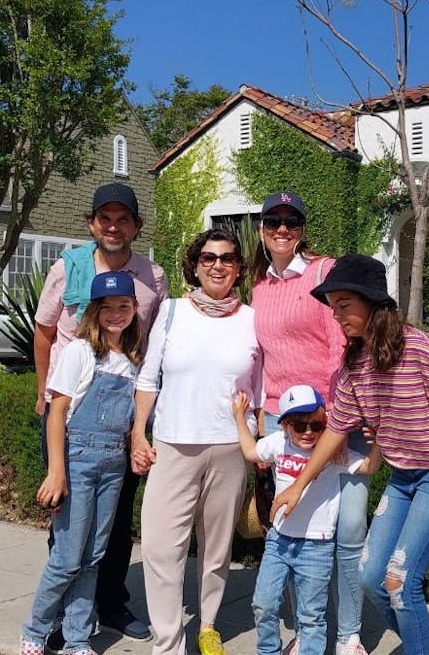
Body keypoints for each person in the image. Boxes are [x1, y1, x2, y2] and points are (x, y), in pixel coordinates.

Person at [272, 254, 429, 655]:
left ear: (372, 302)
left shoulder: (419, 348)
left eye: (344, 305)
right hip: (405, 477)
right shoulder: (355, 363)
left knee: (399, 580)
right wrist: (298, 487)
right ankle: (421, 645)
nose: (337, 316)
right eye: (333, 307)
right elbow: (337, 427)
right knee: (370, 576)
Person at [34, 182, 168, 645]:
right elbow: (46, 331)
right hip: (69, 410)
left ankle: (109, 603)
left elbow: (148, 344)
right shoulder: (65, 267)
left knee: (113, 521)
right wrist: (43, 393)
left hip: (124, 412)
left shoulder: (154, 277)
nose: (114, 226)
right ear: (92, 224)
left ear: (136, 226)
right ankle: (58, 617)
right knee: (68, 523)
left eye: (123, 218)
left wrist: (141, 421)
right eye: (105, 218)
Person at [130, 228, 263, 655]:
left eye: (226, 258)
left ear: (239, 269)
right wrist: (138, 432)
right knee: (159, 545)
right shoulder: (170, 313)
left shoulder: (252, 319)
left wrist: (258, 441)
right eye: (208, 258)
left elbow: (260, 389)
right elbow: (148, 379)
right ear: (195, 264)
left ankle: (207, 624)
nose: (218, 265)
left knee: (217, 548)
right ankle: (169, 641)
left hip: (229, 447)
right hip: (174, 443)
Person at [251, 191, 369, 655]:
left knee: (350, 526)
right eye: (273, 221)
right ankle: (306, 628)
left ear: (302, 229)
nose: (283, 229)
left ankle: (349, 633)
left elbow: (342, 345)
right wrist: (262, 418)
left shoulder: (323, 273)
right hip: (283, 417)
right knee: (296, 525)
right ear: (261, 229)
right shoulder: (259, 289)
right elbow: (263, 358)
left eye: (292, 221)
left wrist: (337, 420)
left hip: (332, 415)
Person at [21, 271, 143, 655]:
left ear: (134, 309)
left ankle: (76, 639)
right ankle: (34, 632)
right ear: (94, 311)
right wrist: (57, 471)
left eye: (123, 306)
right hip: (78, 462)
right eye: (107, 308)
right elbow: (57, 413)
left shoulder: (133, 358)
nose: (116, 314)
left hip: (114, 466)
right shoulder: (80, 351)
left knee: (92, 558)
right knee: (67, 557)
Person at [232, 385, 382, 655]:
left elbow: (369, 467)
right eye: (300, 426)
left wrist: (380, 439)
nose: (309, 432)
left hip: (316, 546)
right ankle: (269, 651)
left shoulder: (332, 454)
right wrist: (240, 419)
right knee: (263, 604)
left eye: (316, 424)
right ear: (285, 425)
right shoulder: (278, 443)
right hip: (278, 541)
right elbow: (251, 452)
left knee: (311, 617)